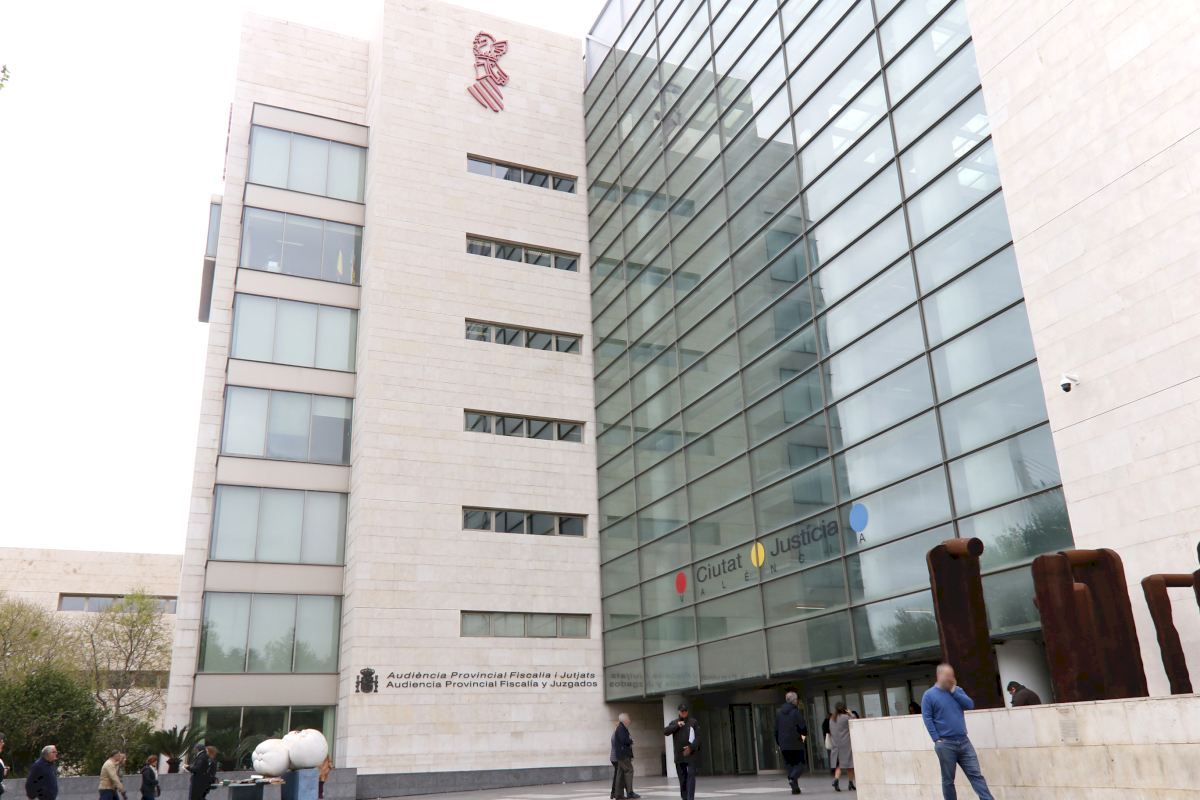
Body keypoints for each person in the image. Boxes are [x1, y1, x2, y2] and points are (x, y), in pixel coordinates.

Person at [921, 663, 995, 800]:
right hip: (945, 743)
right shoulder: (929, 695)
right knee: (948, 780)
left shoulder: (957, 691)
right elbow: (927, 717)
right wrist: (936, 739)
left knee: (976, 775)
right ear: (939, 676)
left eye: (952, 675)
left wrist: (954, 691)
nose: (950, 678)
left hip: (963, 741)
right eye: (947, 676)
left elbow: (970, 705)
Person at [663, 703, 700, 800]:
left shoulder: (693, 722)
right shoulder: (674, 722)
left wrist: (691, 747)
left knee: (691, 776)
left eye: (685, 711)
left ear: (687, 711)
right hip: (680, 756)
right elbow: (666, 731)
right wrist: (677, 725)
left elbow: (698, 738)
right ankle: (685, 797)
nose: (684, 713)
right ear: (679, 712)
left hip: (691, 754)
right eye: (682, 711)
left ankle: (690, 798)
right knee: (683, 779)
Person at [773, 691, 807, 795]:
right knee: (800, 764)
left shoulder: (779, 713)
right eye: (796, 700)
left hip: (784, 744)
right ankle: (792, 778)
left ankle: (795, 788)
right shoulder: (796, 712)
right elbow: (802, 727)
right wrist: (803, 737)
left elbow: (776, 730)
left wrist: (779, 742)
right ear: (794, 701)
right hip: (796, 743)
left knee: (790, 766)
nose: (797, 701)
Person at [609, 713, 638, 800]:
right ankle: (629, 792)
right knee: (629, 771)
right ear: (625, 720)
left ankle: (618, 794)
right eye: (628, 719)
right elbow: (623, 740)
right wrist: (630, 740)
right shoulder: (621, 729)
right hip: (622, 756)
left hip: (619, 756)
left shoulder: (619, 729)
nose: (629, 720)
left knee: (620, 774)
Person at [829, 703, 855, 792]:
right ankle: (851, 783)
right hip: (846, 744)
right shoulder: (846, 717)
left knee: (839, 765)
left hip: (836, 744)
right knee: (850, 764)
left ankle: (836, 780)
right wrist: (851, 713)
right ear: (844, 709)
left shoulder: (832, 719)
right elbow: (855, 721)